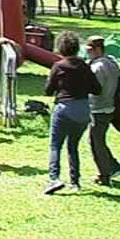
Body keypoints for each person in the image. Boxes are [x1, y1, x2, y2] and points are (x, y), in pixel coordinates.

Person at [43, 31, 100, 195]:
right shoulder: (85, 66)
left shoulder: (58, 66)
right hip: (83, 109)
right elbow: (97, 89)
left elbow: (48, 90)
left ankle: (53, 178)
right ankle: (75, 181)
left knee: (55, 145)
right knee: (73, 146)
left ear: (60, 49)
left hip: (64, 107)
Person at [85, 35, 120, 186]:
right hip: (109, 107)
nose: (88, 53)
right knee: (98, 140)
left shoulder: (97, 67)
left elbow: (95, 89)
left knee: (96, 143)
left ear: (98, 49)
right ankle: (113, 166)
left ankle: (105, 175)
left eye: (90, 50)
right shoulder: (112, 63)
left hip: (99, 108)